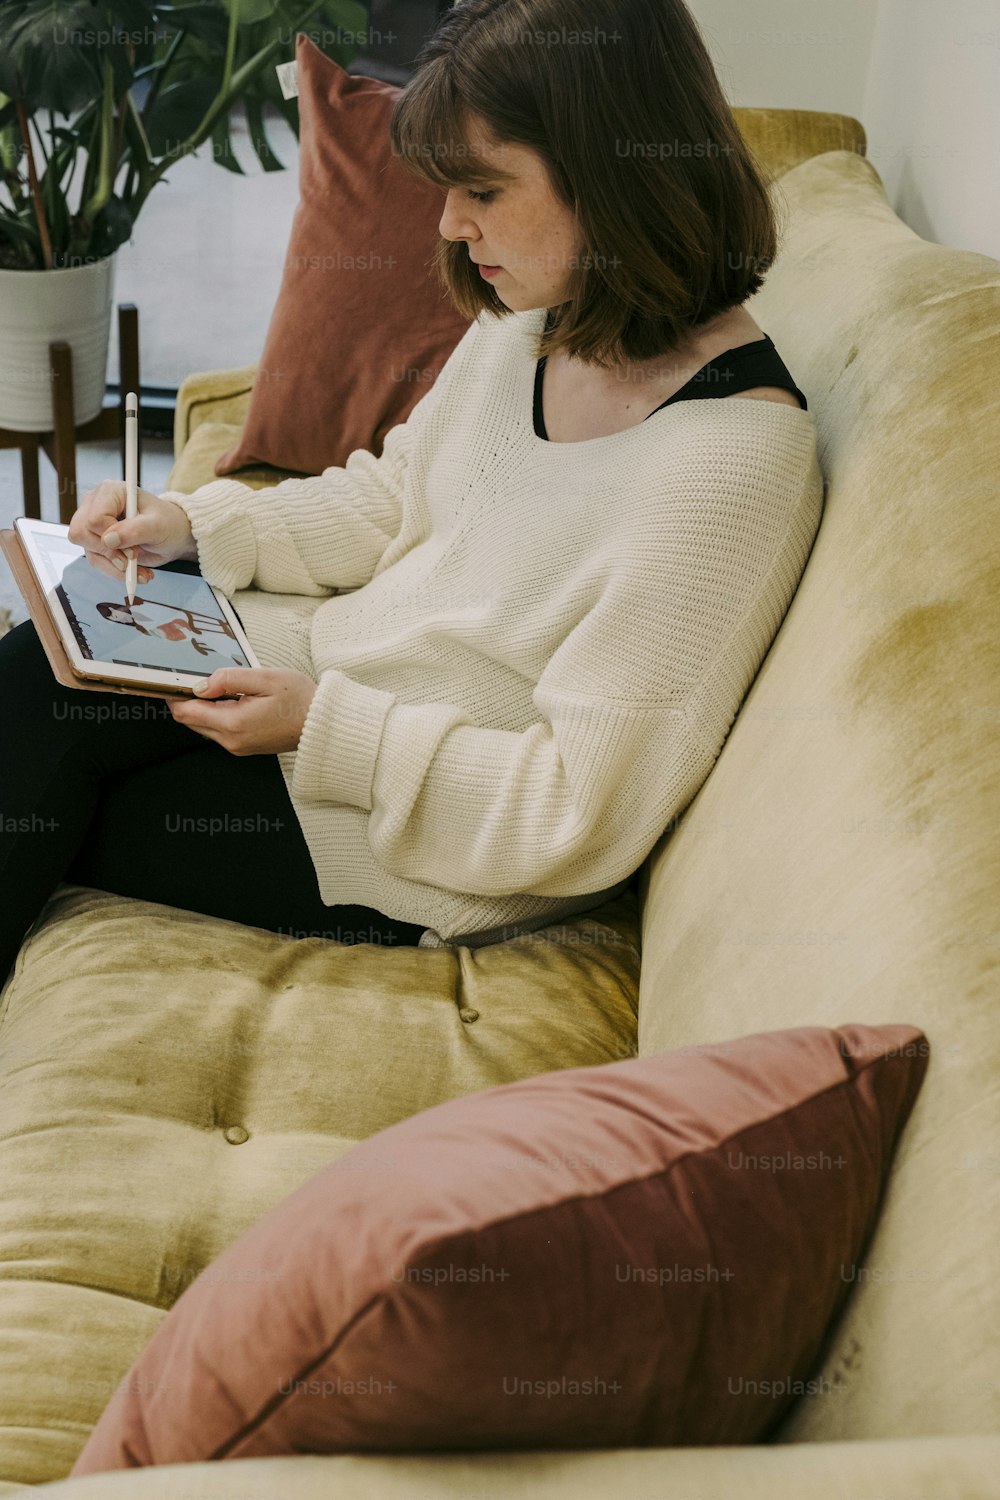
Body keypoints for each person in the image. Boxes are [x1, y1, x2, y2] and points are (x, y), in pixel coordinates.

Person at [0, 0, 824, 988]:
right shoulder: (542, 316)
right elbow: (393, 502)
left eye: (480, 187)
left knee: (48, 776)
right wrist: (188, 527)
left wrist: (324, 726)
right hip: (332, 688)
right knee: (42, 658)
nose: (447, 224)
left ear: (615, 172)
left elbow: (574, 806)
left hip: (419, 843)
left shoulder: (731, 463)